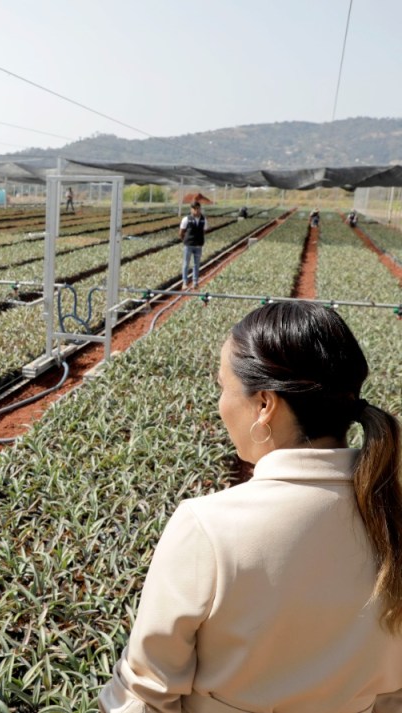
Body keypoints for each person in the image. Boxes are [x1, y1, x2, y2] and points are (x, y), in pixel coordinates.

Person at [100, 301, 402, 712]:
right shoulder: (391, 515)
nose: (221, 404)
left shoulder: (208, 527)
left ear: (264, 405)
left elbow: (145, 695)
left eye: (223, 387)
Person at [178, 200, 207, 289]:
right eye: (194, 209)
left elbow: (204, 231)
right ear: (191, 210)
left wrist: (200, 240)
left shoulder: (203, 219)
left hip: (198, 245)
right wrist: (185, 241)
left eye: (198, 209)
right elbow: (181, 232)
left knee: (196, 264)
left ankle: (195, 282)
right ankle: (185, 282)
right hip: (189, 245)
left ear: (200, 209)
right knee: (186, 264)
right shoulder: (186, 219)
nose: (196, 211)